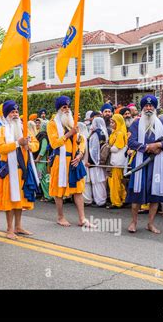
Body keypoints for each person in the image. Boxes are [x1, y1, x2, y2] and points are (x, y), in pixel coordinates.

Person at [126, 95, 163, 234]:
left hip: (157, 165)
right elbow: (131, 142)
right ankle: (133, 222)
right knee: (137, 194)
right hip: (141, 163)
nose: (148, 108)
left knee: (156, 195)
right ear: (142, 108)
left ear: (155, 108)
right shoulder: (135, 124)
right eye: (146, 106)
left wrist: (159, 144)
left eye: (151, 106)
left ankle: (150, 223)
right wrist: (148, 147)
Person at [0, 100, 39, 239]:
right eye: (12, 112)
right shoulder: (0, 130)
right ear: (7, 114)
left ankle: (18, 226)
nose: (15, 114)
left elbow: (36, 144)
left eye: (16, 112)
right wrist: (16, 143)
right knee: (10, 200)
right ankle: (9, 229)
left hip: (23, 169)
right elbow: (0, 148)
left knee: (19, 199)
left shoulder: (24, 129)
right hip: (9, 170)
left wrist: (29, 146)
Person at [47, 96, 90, 227]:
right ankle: (60, 217)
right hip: (60, 160)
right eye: (64, 107)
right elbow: (54, 143)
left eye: (68, 107)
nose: (67, 109)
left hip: (74, 160)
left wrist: (81, 154)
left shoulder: (73, 122)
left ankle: (82, 218)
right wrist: (69, 134)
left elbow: (81, 140)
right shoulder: (52, 124)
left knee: (78, 190)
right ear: (59, 109)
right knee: (59, 191)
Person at [87, 117, 109, 207]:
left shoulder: (96, 133)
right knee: (101, 181)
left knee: (97, 182)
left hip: (95, 162)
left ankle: (100, 201)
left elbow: (94, 149)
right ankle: (101, 199)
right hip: (101, 161)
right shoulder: (103, 132)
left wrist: (94, 161)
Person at [108, 114, 128, 208]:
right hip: (117, 162)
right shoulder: (117, 132)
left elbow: (116, 148)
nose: (111, 124)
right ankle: (123, 199)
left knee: (115, 183)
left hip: (117, 162)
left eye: (113, 122)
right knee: (119, 182)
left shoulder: (119, 133)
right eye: (111, 122)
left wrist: (109, 147)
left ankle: (116, 202)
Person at [34, 121, 52, 202]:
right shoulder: (45, 136)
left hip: (42, 161)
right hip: (42, 161)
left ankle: (47, 196)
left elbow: (43, 149)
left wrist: (38, 158)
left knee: (43, 178)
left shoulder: (44, 136)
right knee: (43, 178)